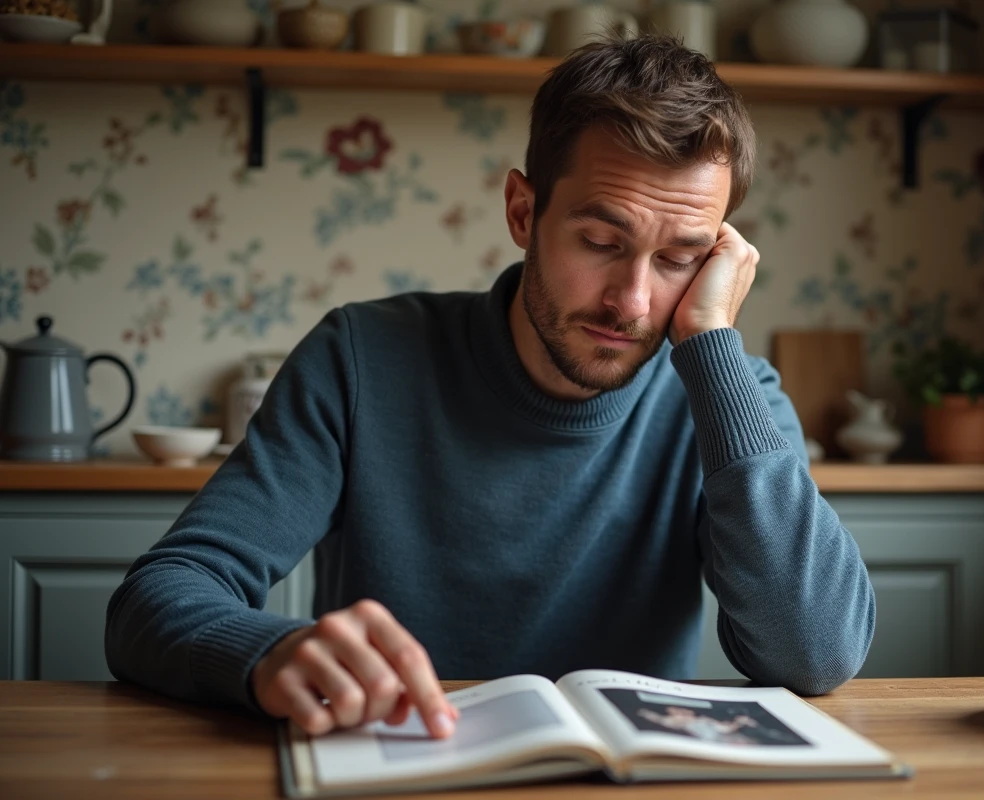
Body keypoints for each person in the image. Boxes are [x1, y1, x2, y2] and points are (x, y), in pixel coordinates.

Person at [105, 34, 875, 744]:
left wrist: (710, 348)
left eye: (680, 259)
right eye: (601, 242)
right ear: (523, 211)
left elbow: (817, 655)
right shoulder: (360, 359)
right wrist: (270, 652)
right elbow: (156, 598)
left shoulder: (728, 396)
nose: (634, 302)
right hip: (399, 766)